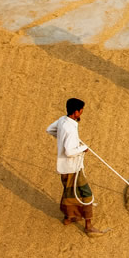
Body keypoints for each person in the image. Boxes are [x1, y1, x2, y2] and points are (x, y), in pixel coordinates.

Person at [46, 98, 104, 235]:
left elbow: (49, 130)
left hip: (64, 168)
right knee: (86, 194)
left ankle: (69, 217)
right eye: (81, 110)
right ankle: (88, 226)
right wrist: (82, 148)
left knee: (69, 193)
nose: (82, 112)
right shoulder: (70, 129)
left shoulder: (62, 120)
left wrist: (61, 138)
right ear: (76, 112)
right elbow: (69, 152)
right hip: (73, 168)